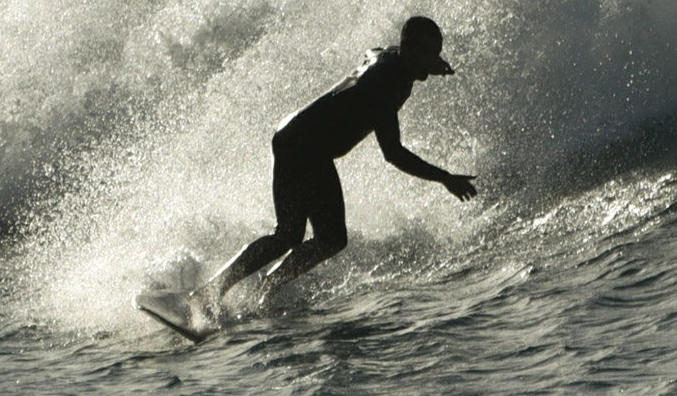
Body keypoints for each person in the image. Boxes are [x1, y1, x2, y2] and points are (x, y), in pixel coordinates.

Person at [200, 16, 477, 309]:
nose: (431, 61)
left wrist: (428, 64)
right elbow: (393, 153)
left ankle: (253, 294)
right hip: (304, 145)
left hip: (297, 137)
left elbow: (374, 51)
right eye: (426, 54)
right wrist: (445, 178)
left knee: (307, 236)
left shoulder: (391, 57)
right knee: (309, 236)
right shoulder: (385, 84)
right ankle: (224, 293)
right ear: (408, 48)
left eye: (435, 54)